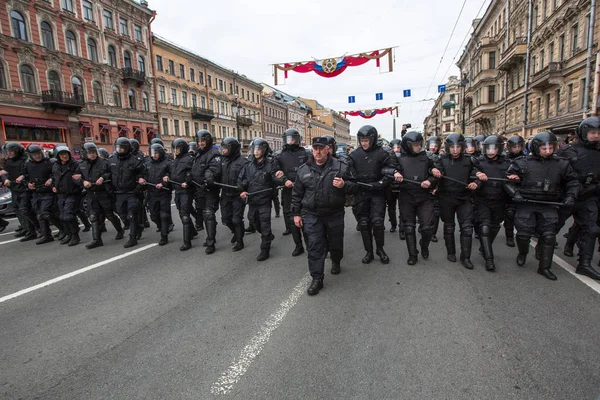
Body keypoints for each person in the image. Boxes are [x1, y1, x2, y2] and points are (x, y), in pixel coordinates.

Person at [506, 132, 579, 280]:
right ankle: (523, 252)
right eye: (544, 148)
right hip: (527, 204)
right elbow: (507, 180)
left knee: (549, 236)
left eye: (550, 148)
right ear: (536, 147)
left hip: (549, 204)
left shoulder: (562, 164)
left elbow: (573, 182)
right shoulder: (522, 162)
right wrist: (515, 193)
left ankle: (544, 267)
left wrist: (571, 196)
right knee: (523, 235)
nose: (547, 151)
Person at [292, 136, 356, 295]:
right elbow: (297, 194)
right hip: (312, 214)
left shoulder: (341, 167)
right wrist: (296, 214)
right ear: (312, 150)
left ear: (328, 149)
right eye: (315, 149)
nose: (318, 152)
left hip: (334, 213)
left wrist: (344, 185)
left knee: (335, 243)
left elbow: (355, 186)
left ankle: (336, 260)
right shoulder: (303, 170)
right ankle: (317, 278)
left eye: (321, 148)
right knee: (314, 246)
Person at [555, 117, 600, 280]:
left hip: (589, 196)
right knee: (553, 226)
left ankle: (584, 264)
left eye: (598, 133)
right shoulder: (568, 150)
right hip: (567, 195)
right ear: (583, 132)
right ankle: (543, 251)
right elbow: (555, 172)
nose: (596, 136)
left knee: (591, 229)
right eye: (592, 132)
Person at [347, 125, 397, 264]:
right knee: (363, 223)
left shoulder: (382, 153)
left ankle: (380, 249)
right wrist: (353, 181)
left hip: (377, 192)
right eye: (362, 140)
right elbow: (348, 172)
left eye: (367, 140)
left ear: (373, 139)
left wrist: (380, 183)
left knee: (377, 222)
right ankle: (368, 252)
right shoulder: (354, 155)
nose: (364, 143)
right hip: (361, 193)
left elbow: (390, 170)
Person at [432, 133, 480, 269]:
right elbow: (433, 173)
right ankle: (451, 252)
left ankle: (466, 257)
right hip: (446, 198)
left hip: (464, 198)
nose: (455, 150)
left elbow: (477, 174)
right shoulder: (440, 159)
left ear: (462, 147)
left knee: (467, 229)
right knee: (449, 226)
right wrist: (434, 171)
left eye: (458, 147)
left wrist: (476, 182)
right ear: (448, 147)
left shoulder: (470, 160)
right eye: (452, 147)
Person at [390, 131, 437, 265]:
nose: (419, 147)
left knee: (427, 227)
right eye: (416, 144)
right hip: (406, 196)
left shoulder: (428, 157)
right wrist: (395, 173)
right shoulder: (398, 158)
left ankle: (424, 245)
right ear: (408, 145)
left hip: (424, 196)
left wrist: (431, 181)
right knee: (409, 227)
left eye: (420, 144)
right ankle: (412, 254)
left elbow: (437, 173)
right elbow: (388, 170)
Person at [472, 135, 511, 271]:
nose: (491, 151)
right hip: (482, 199)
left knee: (495, 226)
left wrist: (515, 177)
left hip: (500, 199)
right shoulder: (479, 162)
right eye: (488, 148)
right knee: (484, 227)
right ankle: (489, 259)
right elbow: (471, 172)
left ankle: (484, 247)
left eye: (494, 148)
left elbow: (517, 174)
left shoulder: (507, 163)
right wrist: (477, 176)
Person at [79, 142, 124, 249]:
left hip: (103, 193)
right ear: (85, 154)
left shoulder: (104, 162)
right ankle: (97, 240)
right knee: (93, 217)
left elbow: (111, 173)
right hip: (91, 194)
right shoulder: (81, 165)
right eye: (90, 153)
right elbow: (76, 177)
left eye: (94, 152)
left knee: (109, 214)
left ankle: (120, 230)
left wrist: (103, 178)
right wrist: (83, 182)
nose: (92, 155)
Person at [238, 138, 277, 261]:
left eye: (259, 149)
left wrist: (281, 181)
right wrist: (242, 190)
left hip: (265, 199)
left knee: (265, 224)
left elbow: (276, 178)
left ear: (264, 150)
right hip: (252, 199)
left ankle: (264, 249)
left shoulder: (270, 164)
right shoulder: (248, 165)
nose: (256, 152)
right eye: (255, 149)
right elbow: (241, 180)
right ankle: (269, 235)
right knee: (253, 220)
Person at [273, 128, 310, 256]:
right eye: (288, 139)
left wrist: (305, 181)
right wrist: (284, 181)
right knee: (292, 220)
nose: (290, 141)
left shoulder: (305, 153)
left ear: (297, 139)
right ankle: (298, 245)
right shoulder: (280, 155)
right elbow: (275, 173)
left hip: (304, 190)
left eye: (292, 139)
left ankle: (310, 244)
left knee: (306, 219)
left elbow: (312, 169)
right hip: (288, 191)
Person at [18, 145, 63, 244]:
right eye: (34, 154)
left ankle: (63, 229)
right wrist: (28, 184)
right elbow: (25, 176)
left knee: (46, 213)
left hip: (48, 192)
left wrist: (51, 179)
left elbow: (57, 173)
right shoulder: (27, 165)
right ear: (30, 155)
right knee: (40, 215)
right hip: (36, 192)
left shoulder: (49, 162)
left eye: (38, 154)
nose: (37, 156)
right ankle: (47, 235)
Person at [109, 137, 147, 248]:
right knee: (122, 214)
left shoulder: (135, 161)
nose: (119, 149)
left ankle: (132, 237)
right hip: (118, 192)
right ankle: (138, 227)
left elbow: (143, 174)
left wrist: (138, 187)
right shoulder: (112, 160)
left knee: (131, 215)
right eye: (118, 147)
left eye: (121, 147)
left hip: (131, 192)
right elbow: (106, 173)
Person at [191, 130, 222, 254]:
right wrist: (190, 176)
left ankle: (211, 242)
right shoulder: (198, 154)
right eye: (199, 141)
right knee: (203, 214)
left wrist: (208, 177)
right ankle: (210, 235)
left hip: (210, 189)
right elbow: (195, 170)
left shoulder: (214, 153)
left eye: (203, 141)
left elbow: (215, 170)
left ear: (208, 140)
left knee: (209, 214)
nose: (201, 143)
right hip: (199, 189)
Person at [165, 138, 196, 251]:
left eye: (177, 148)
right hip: (177, 190)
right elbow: (172, 172)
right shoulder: (175, 160)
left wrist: (187, 182)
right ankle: (192, 232)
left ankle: (187, 242)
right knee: (181, 213)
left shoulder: (189, 159)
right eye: (174, 148)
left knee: (185, 216)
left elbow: (193, 173)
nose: (175, 151)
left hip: (186, 191)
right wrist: (167, 177)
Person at [0, 142, 36, 240]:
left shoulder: (25, 160)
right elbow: (4, 172)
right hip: (14, 189)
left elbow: (29, 173)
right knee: (17, 209)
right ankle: (26, 228)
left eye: (11, 151)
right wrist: (4, 179)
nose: (10, 153)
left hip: (24, 188)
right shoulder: (9, 161)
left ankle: (33, 230)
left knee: (24, 209)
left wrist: (23, 177)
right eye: (8, 151)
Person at [219, 137, 248, 252]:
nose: (224, 151)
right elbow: (216, 173)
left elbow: (248, 177)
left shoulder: (243, 162)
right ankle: (236, 232)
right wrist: (209, 177)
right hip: (225, 194)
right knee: (226, 219)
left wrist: (242, 185)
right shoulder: (222, 161)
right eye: (223, 148)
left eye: (226, 148)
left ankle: (240, 241)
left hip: (237, 195)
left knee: (236, 219)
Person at [51, 146, 83, 246]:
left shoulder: (75, 164)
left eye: (66, 153)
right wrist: (53, 185)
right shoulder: (55, 165)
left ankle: (75, 236)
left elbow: (82, 175)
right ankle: (68, 234)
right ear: (58, 156)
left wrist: (80, 179)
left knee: (69, 215)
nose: (64, 156)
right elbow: (53, 177)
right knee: (62, 216)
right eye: (61, 154)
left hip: (73, 193)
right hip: (61, 194)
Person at [146, 143, 172, 246]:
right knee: (154, 216)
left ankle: (164, 235)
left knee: (164, 215)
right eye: (153, 153)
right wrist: (142, 179)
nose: (154, 155)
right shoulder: (148, 163)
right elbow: (143, 173)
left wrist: (164, 182)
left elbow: (170, 175)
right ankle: (162, 228)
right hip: (152, 193)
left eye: (156, 153)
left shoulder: (167, 163)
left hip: (163, 192)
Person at [503, 135, 525, 247]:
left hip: (523, 190)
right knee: (509, 214)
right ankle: (509, 236)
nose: (516, 149)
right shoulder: (504, 159)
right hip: (508, 191)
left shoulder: (527, 159)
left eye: (518, 146)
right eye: (514, 146)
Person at [426, 136, 442, 242]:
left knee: (436, 212)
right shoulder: (423, 156)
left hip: (436, 188)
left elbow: (442, 174)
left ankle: (433, 233)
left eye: (436, 146)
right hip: (425, 186)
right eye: (432, 145)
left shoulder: (442, 158)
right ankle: (424, 227)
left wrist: (438, 187)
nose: (433, 148)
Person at [385, 139, 402, 235]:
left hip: (401, 186)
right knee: (391, 208)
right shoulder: (386, 158)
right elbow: (384, 170)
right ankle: (393, 225)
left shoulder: (404, 157)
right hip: (390, 186)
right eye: (394, 147)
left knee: (402, 208)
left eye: (398, 147)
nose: (396, 150)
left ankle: (402, 228)